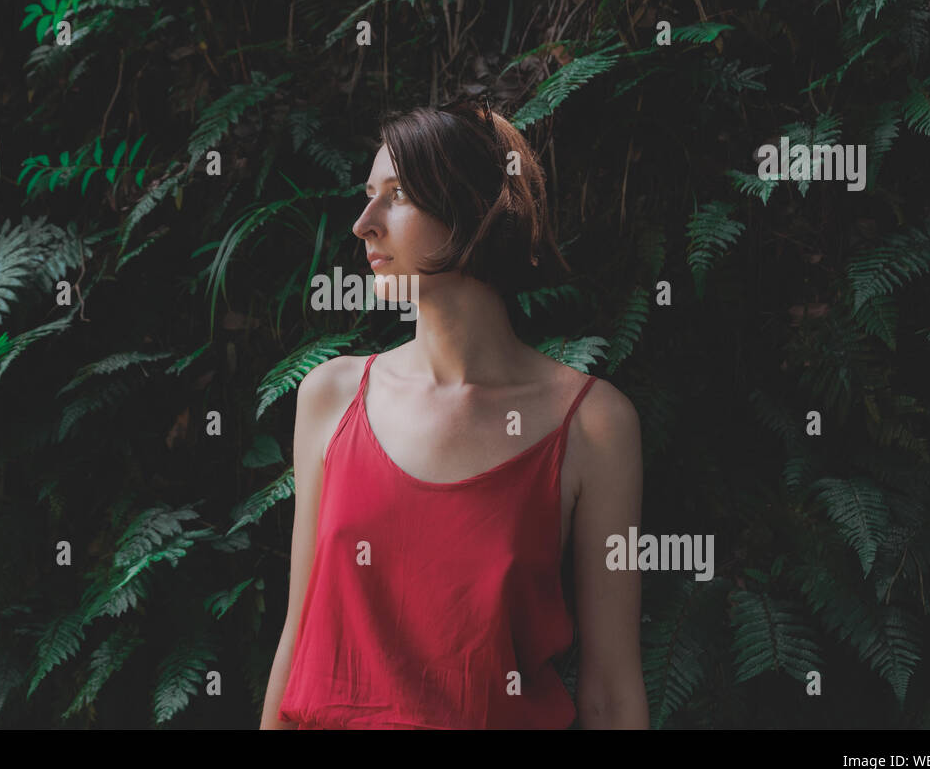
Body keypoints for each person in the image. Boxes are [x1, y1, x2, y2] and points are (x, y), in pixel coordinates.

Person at [259, 98, 648, 729]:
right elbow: (297, 634)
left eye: (399, 195)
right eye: (367, 195)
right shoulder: (329, 397)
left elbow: (610, 694)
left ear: (474, 211)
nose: (363, 223)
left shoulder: (592, 425)